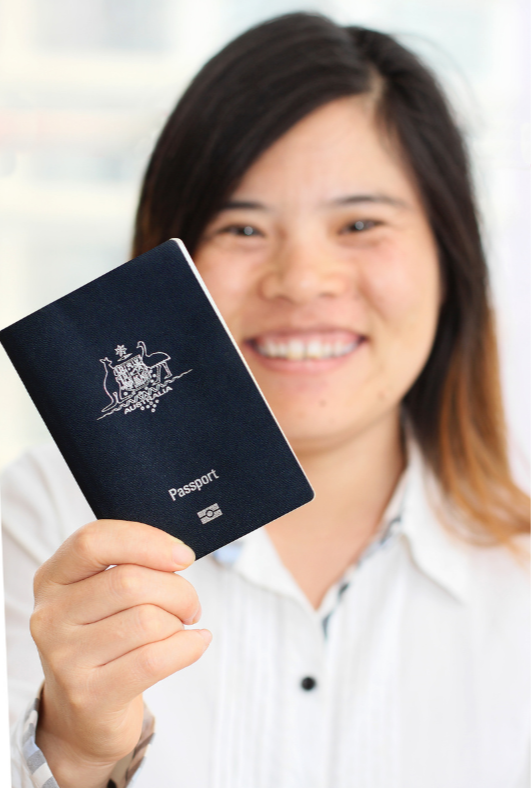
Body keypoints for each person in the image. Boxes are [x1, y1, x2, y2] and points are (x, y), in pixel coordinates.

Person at [3, 13, 529, 788]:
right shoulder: (42, 519)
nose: (302, 280)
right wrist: (77, 753)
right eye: (243, 228)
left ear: (451, 259)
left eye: (359, 223)